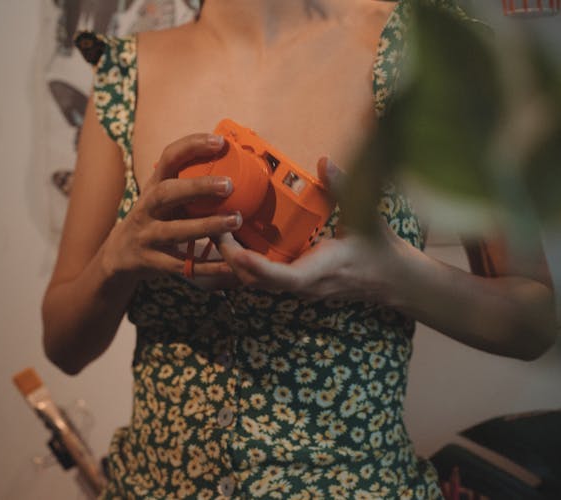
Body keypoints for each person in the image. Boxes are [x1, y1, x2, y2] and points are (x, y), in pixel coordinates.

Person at [41, 0, 557, 497]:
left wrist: (393, 276)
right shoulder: (125, 73)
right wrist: (116, 260)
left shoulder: (426, 53)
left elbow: (535, 321)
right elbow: (63, 346)